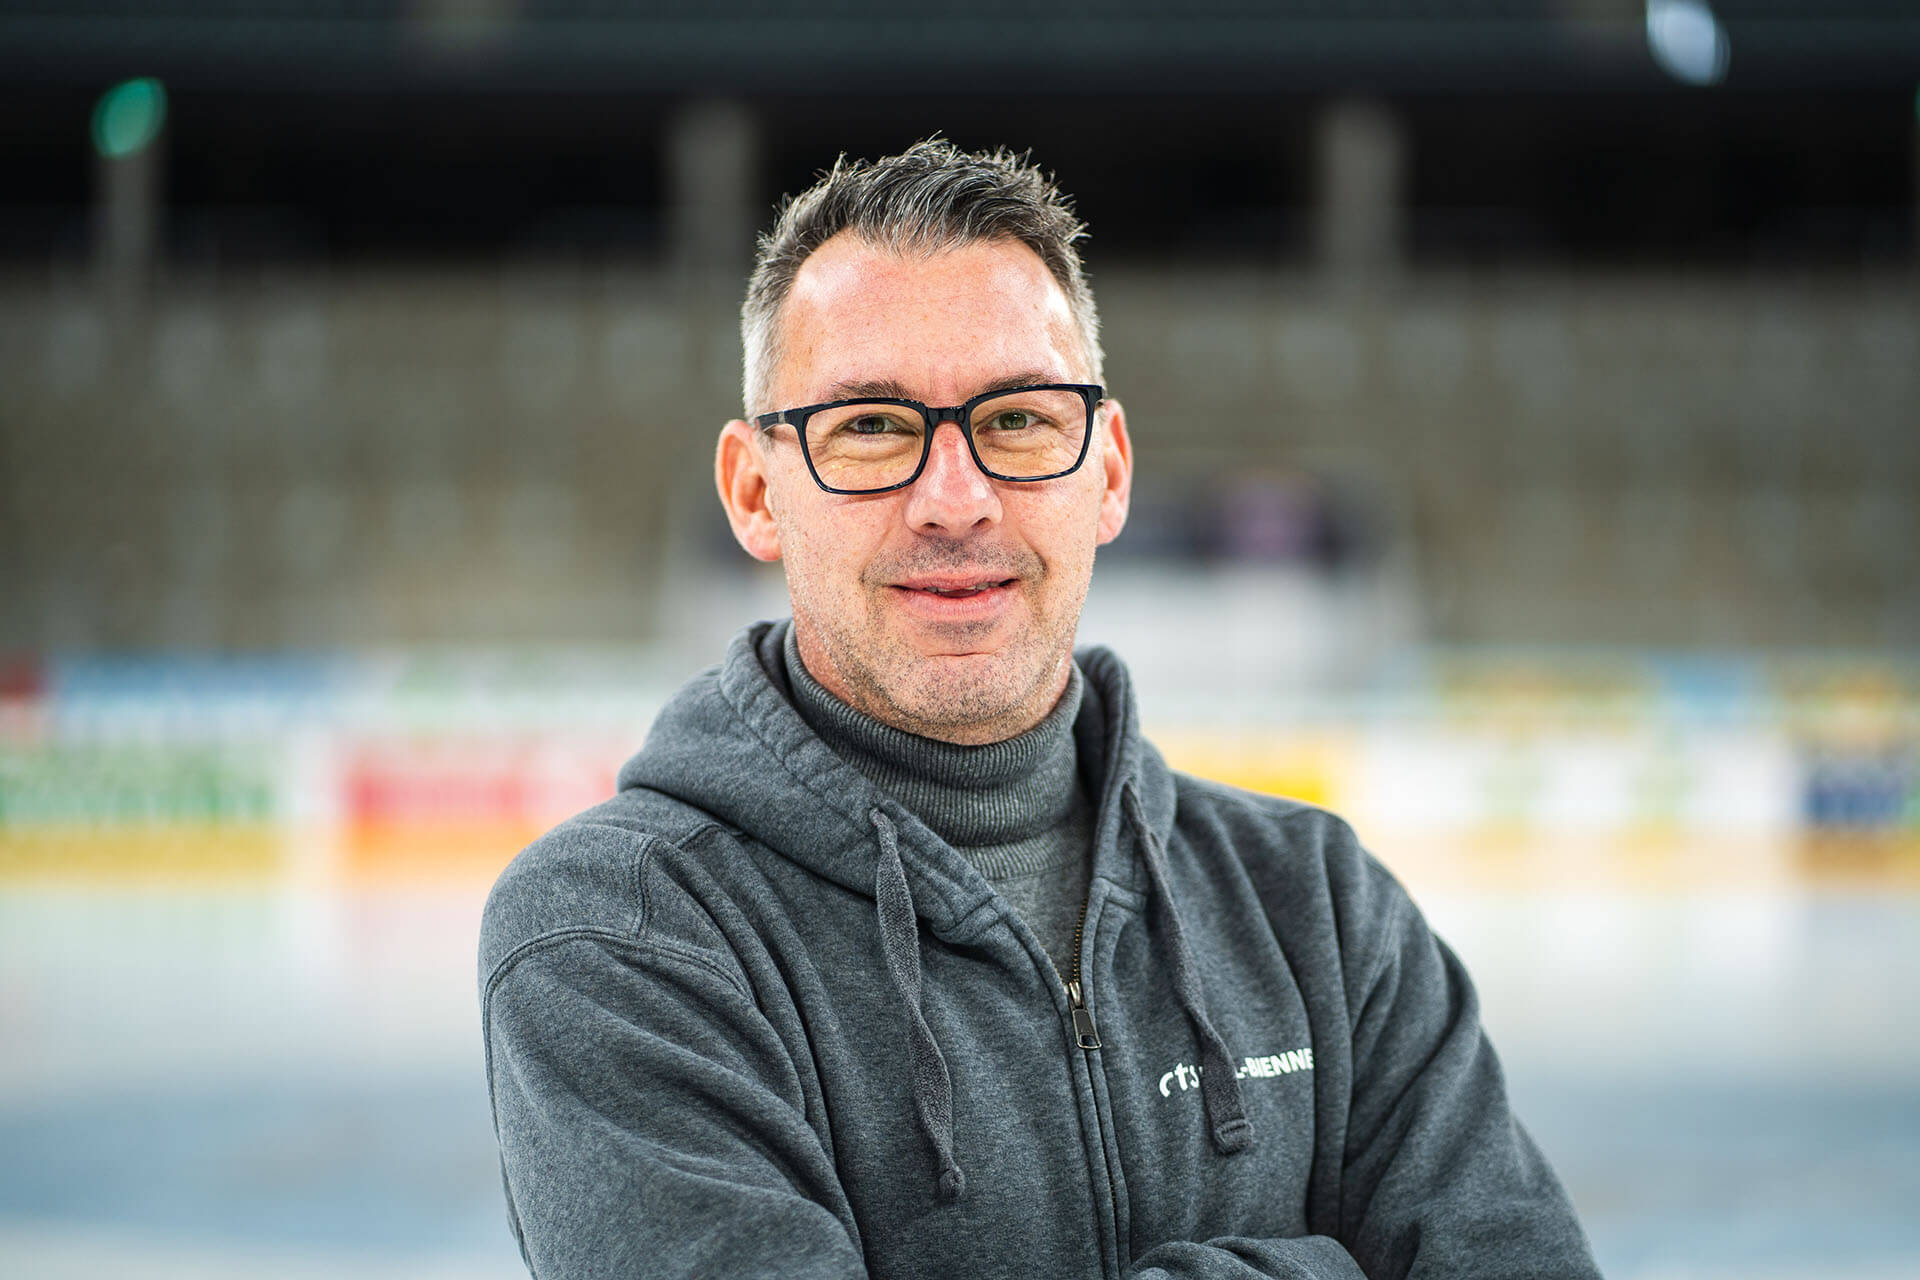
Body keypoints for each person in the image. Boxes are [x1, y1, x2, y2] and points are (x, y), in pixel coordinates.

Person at [479, 139, 1602, 1279]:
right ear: (756, 491)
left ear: (1107, 471)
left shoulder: (1318, 906)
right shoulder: (619, 935)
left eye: (1017, 419)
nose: (954, 500)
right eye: (870, 426)